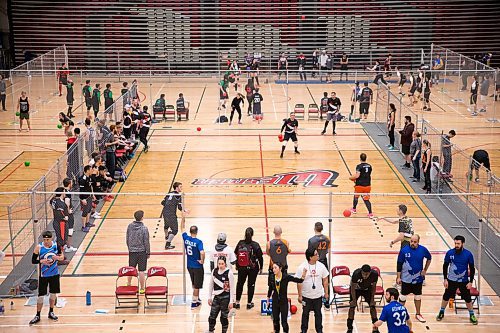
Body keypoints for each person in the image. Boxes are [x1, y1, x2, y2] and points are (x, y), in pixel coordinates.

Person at [436, 235, 478, 325]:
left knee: (467, 298)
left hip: (464, 281)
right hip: (451, 280)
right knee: (446, 296)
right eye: (455, 243)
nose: (456, 245)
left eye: (458, 243)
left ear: (463, 243)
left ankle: (471, 315)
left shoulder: (468, 254)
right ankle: (441, 312)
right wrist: (445, 279)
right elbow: (445, 266)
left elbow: (472, 268)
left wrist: (470, 282)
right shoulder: (449, 253)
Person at [29, 231, 65, 325]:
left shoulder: (56, 246)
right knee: (40, 296)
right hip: (43, 276)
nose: (46, 241)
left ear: (51, 238)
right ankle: (38, 315)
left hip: (54, 274)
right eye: (44, 239)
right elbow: (33, 260)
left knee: (53, 294)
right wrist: (42, 261)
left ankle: (51, 312)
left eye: (47, 239)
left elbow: (62, 257)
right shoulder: (39, 247)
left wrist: (57, 258)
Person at [397, 234, 431, 323]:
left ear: (418, 242)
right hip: (406, 279)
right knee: (403, 297)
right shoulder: (404, 250)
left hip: (418, 279)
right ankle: (400, 314)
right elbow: (399, 264)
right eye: (411, 241)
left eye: (415, 242)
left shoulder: (423, 250)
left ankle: (418, 314)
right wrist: (398, 277)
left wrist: (425, 270)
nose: (412, 243)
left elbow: (429, 258)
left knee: (418, 296)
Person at [296, 248, 329, 333]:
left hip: (318, 296)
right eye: (316, 254)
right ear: (310, 257)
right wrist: (300, 295)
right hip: (306, 296)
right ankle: (303, 330)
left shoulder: (321, 266)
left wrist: (326, 293)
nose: (318, 255)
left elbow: (325, 279)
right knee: (305, 314)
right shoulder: (301, 267)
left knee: (318, 314)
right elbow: (299, 282)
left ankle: (319, 330)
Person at [267, 262, 307, 333]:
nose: (273, 269)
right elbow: (270, 289)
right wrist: (268, 300)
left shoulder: (286, 277)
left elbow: (298, 280)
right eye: (273, 268)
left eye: (275, 268)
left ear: (280, 268)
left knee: (284, 322)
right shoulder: (272, 277)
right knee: (275, 321)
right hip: (275, 302)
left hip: (283, 302)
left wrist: (303, 275)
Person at [234, 227, 263, 310]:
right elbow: (260, 257)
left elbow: (236, 254)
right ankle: (249, 303)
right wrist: (261, 267)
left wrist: (237, 264)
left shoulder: (240, 243)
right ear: (252, 234)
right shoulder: (255, 245)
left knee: (240, 284)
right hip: (253, 268)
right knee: (251, 285)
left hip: (241, 268)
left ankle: (237, 302)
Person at [347, 264, 379, 333]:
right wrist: (354, 300)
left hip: (367, 290)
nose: (365, 276)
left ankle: (375, 328)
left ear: (370, 272)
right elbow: (352, 288)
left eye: (367, 274)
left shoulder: (374, 274)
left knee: (372, 307)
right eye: (364, 274)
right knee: (352, 306)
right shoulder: (356, 274)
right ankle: (349, 328)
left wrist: (372, 299)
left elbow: (373, 287)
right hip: (356, 290)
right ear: (361, 271)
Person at [208, 257, 235, 333]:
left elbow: (232, 288)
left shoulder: (229, 273)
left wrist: (231, 301)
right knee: (212, 316)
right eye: (219, 263)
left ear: (225, 263)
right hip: (216, 297)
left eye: (222, 264)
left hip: (225, 298)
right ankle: (211, 330)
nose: (220, 265)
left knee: (223, 318)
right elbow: (211, 285)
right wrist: (209, 297)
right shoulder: (214, 271)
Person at [307, 221, 331, 309]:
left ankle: (314, 301)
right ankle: (326, 300)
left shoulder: (311, 240)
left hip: (315, 262)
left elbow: (310, 252)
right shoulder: (327, 239)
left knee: (314, 280)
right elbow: (328, 250)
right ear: (322, 228)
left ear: (314, 228)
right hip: (324, 261)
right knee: (325, 281)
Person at [126, 210, 150, 293]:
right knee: (141, 270)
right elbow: (146, 241)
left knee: (131, 268)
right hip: (142, 252)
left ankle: (128, 284)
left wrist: (130, 248)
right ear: (142, 217)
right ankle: (142, 288)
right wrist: (148, 252)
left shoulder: (129, 226)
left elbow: (127, 238)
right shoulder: (144, 228)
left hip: (132, 251)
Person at [183, 224, 205, 308]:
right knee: (197, 285)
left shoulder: (186, 239)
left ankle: (197, 298)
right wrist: (202, 260)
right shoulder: (198, 242)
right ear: (197, 232)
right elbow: (202, 252)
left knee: (194, 283)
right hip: (197, 266)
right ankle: (194, 302)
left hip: (189, 265)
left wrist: (183, 217)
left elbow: (182, 229)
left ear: (190, 232)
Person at [162, 181, 189, 249]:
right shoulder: (178, 196)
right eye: (180, 187)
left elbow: (162, 202)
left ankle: (166, 236)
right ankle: (167, 244)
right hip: (171, 214)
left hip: (164, 212)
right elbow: (180, 207)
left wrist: (169, 205)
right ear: (176, 187)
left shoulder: (169, 193)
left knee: (167, 225)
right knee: (174, 230)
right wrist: (185, 210)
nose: (181, 188)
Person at [349, 153, 374, 218]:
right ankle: (370, 213)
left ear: (360, 158)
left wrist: (351, 178)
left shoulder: (359, 166)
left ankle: (354, 209)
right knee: (366, 199)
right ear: (366, 158)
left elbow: (357, 176)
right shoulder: (370, 166)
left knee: (356, 197)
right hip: (368, 185)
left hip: (359, 185)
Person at [50, 187, 69, 253]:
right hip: (61, 223)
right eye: (64, 191)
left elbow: (51, 204)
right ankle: (60, 256)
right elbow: (60, 212)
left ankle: (60, 254)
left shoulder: (53, 200)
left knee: (59, 238)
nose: (65, 192)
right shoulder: (60, 203)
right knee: (62, 239)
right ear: (61, 193)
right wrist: (65, 217)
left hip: (56, 221)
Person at [62, 178, 77, 252]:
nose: (72, 184)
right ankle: (68, 247)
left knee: (65, 229)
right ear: (69, 184)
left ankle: (65, 245)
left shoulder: (63, 191)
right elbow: (67, 202)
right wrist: (68, 211)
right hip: (68, 214)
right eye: (71, 183)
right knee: (70, 229)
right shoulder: (67, 193)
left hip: (63, 214)